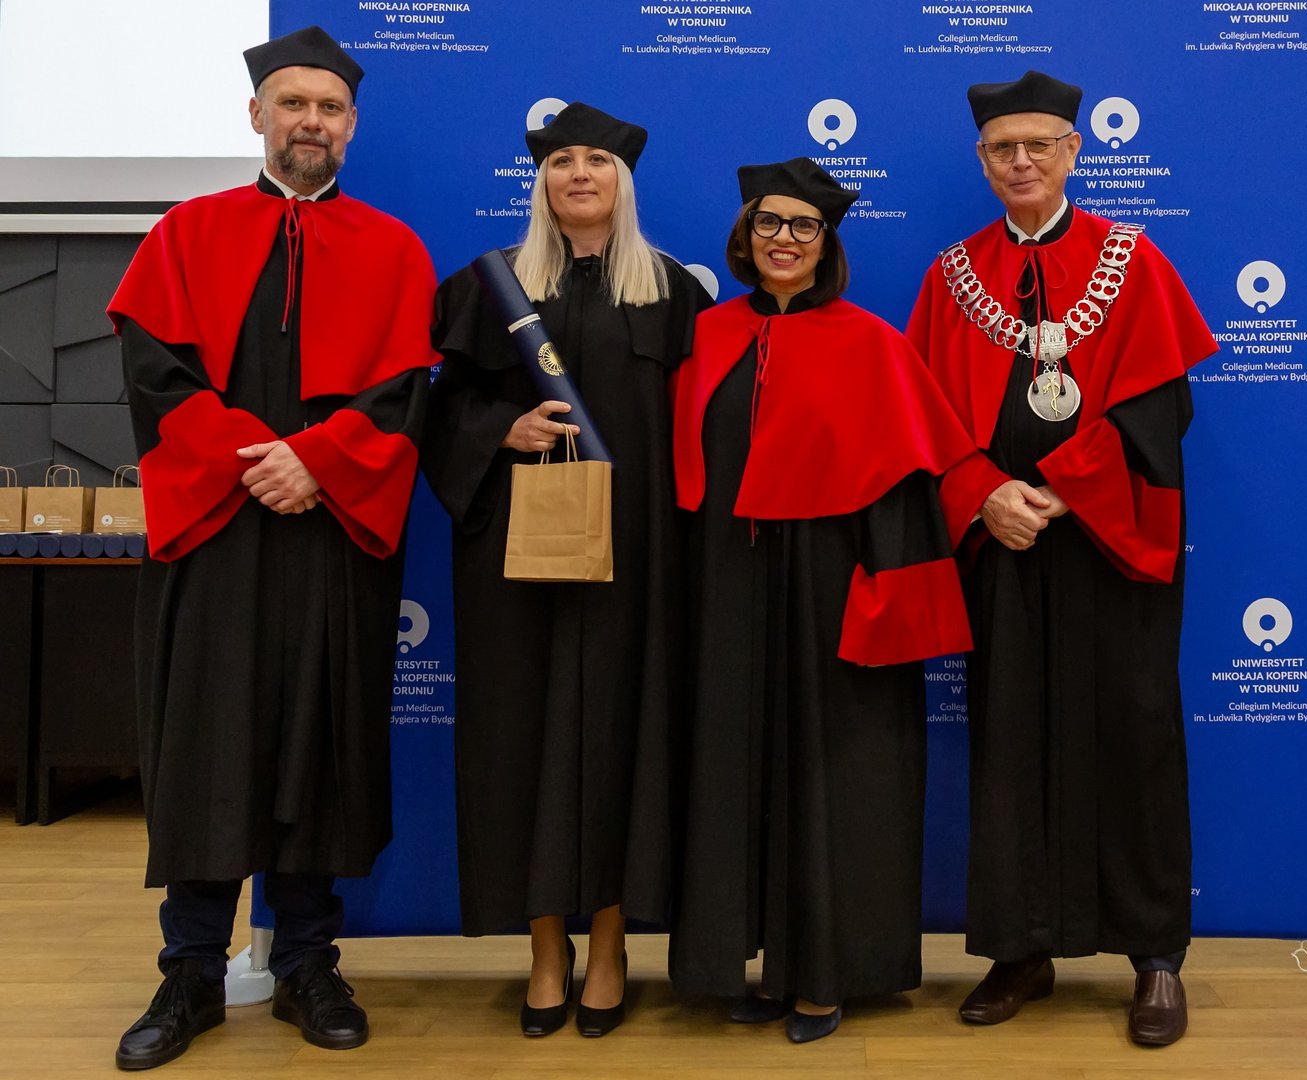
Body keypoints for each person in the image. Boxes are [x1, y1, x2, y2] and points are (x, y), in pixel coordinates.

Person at [106, 26, 436, 1070]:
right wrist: (258, 463)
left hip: (333, 535)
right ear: (257, 114)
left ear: (352, 126)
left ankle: (306, 963)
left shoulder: (393, 248)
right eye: (293, 104)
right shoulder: (185, 234)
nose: (310, 122)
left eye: (329, 109)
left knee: (320, 738)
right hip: (216, 531)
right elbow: (156, 377)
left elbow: (404, 395)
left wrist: (319, 463)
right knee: (209, 738)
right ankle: (191, 971)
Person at [904, 70, 1218, 1047]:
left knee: (1135, 732)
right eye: (1003, 149)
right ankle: (1020, 948)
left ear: (1074, 151)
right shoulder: (953, 276)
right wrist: (984, 494)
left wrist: (1064, 485)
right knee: (1008, 740)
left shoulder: (1133, 259)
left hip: (1111, 539)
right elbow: (926, 420)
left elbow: (1162, 406)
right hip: (1002, 544)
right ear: (982, 161)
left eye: (1039, 144)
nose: (1022, 162)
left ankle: (1155, 955)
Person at [666, 158, 974, 1044]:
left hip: (834, 590)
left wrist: (885, 597)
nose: (785, 240)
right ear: (745, 235)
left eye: (804, 226)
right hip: (729, 588)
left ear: (826, 241)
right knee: (740, 773)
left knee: (834, 777)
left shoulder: (872, 342)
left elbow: (905, 492)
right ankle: (761, 963)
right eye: (769, 223)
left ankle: (826, 974)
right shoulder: (708, 335)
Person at [421, 102, 710, 1038]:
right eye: (561, 161)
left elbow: (709, 423)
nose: (578, 174)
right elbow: (433, 412)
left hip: (639, 557)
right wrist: (498, 429)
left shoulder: (672, 293)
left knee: (629, 734)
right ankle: (546, 949)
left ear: (624, 181)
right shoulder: (491, 286)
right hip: (518, 557)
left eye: (596, 161)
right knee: (522, 740)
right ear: (540, 180)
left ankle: (612, 944)